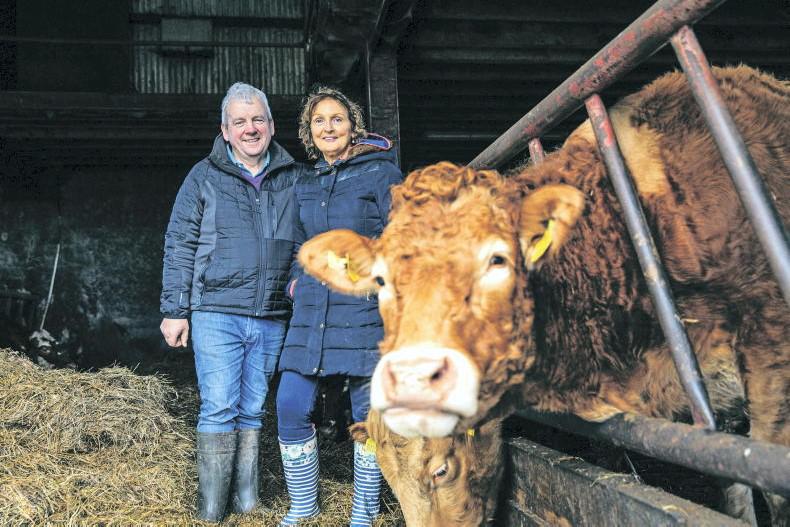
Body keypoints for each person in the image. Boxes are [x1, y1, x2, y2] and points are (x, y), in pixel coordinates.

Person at [159, 82, 303, 523]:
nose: (250, 128)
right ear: (225, 130)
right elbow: (180, 243)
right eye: (239, 121)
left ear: (272, 126)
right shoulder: (203, 176)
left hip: (271, 313)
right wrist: (174, 309)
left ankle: (247, 505)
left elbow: (308, 241)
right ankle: (210, 512)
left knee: (254, 407)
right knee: (220, 404)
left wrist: (298, 279)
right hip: (216, 311)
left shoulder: (295, 176)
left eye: (257, 119)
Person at [276, 86, 403, 527]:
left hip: (364, 310)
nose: (328, 127)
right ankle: (304, 506)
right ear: (309, 132)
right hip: (312, 312)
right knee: (291, 404)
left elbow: (401, 237)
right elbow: (297, 244)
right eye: (319, 121)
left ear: (353, 126)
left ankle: (363, 514)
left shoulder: (380, 174)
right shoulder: (304, 181)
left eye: (337, 119)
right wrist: (295, 285)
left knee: (366, 414)